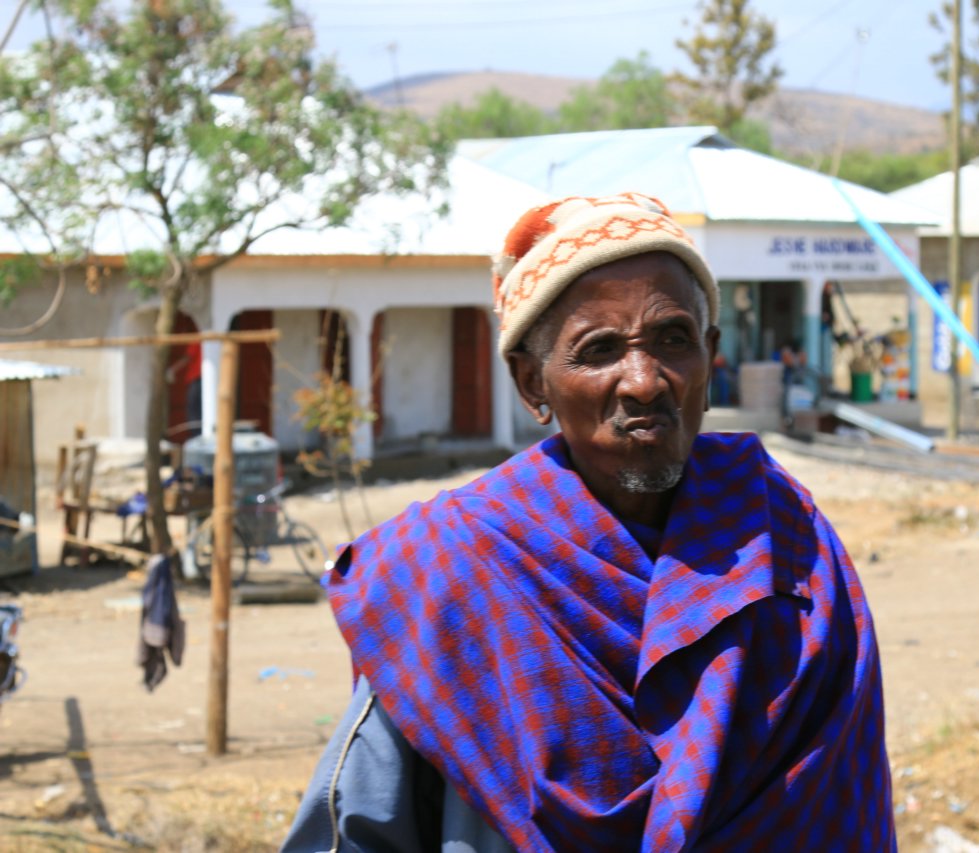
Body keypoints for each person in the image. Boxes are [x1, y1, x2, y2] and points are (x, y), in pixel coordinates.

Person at [282, 193, 895, 852]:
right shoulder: (451, 569)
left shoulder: (787, 543)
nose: (644, 380)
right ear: (531, 383)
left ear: (710, 356)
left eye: (672, 339)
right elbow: (357, 828)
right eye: (600, 349)